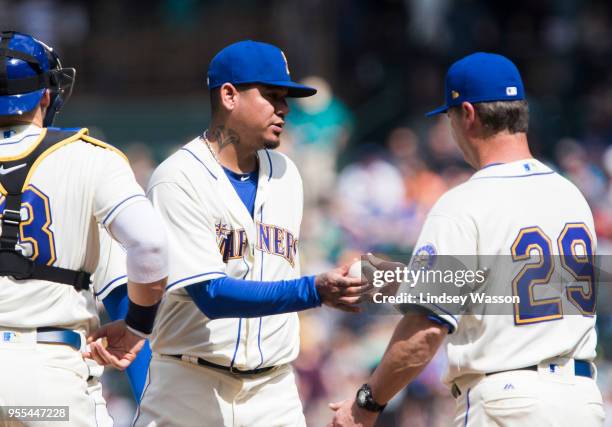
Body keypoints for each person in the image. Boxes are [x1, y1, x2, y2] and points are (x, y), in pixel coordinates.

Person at [329, 53, 603, 426]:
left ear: (468, 114)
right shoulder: (571, 195)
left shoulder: (463, 202)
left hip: (509, 402)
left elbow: (425, 332)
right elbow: (508, 287)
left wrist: (365, 404)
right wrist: (391, 280)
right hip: (583, 400)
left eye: (450, 116)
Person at [135, 40, 371, 427]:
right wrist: (313, 291)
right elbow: (209, 293)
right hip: (190, 386)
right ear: (229, 95)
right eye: (271, 95)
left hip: (272, 390)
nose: (284, 109)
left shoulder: (286, 174)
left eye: (286, 98)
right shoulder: (177, 179)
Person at [0, 31, 168, 426]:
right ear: (45, 95)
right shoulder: (87, 159)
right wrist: (138, 328)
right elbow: (150, 246)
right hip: (45, 383)